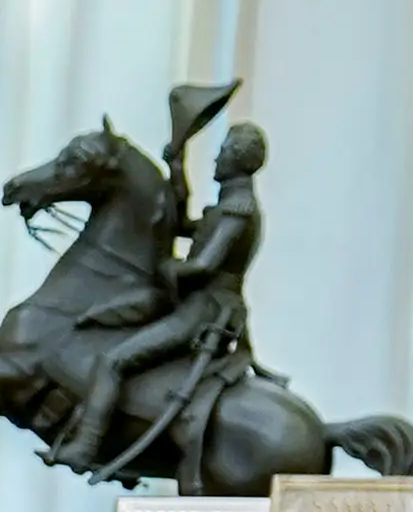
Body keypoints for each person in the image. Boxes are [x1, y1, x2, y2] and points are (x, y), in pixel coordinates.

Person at [63, 121, 265, 472]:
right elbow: (185, 224)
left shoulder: (238, 209)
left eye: (223, 152)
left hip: (205, 311)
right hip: (197, 303)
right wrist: (176, 167)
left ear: (235, 158)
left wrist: (166, 267)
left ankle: (85, 446)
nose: (217, 158)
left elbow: (203, 266)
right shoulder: (229, 204)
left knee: (114, 361)